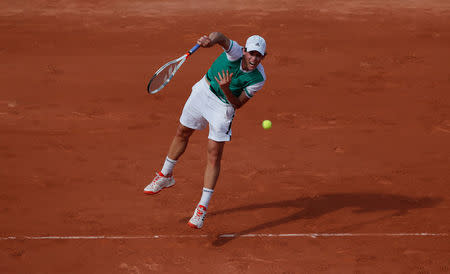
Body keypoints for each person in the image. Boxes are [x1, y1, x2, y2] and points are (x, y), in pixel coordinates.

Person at [144, 32, 267, 229]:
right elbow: (221, 36)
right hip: (203, 91)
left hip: (223, 107)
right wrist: (210, 40)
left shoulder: (258, 78)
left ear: (263, 57)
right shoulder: (234, 52)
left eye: (258, 55)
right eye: (251, 53)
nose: (254, 58)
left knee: (213, 154)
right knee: (182, 132)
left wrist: (226, 88)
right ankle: (165, 176)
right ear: (244, 51)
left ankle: (201, 208)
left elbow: (237, 104)